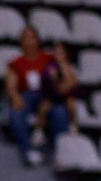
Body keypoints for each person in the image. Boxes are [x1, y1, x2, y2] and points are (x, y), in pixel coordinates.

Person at [7, 27, 68, 165]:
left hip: (47, 95)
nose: (29, 42)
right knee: (15, 113)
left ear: (37, 40)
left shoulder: (48, 58)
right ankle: (28, 150)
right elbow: (11, 86)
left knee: (60, 112)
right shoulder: (15, 63)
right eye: (25, 38)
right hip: (26, 96)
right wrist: (15, 97)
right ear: (21, 42)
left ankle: (60, 153)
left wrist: (52, 97)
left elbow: (61, 79)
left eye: (32, 37)